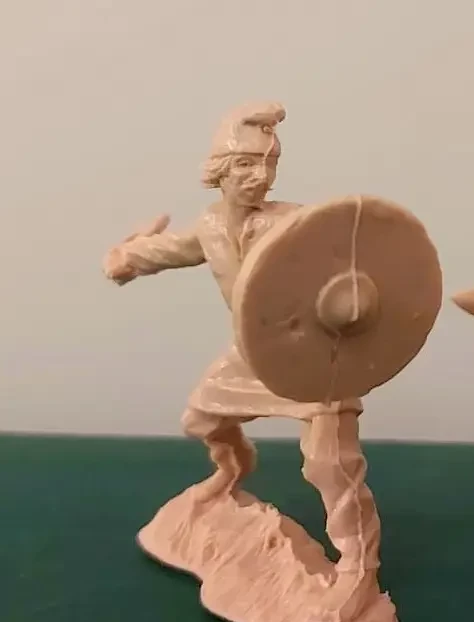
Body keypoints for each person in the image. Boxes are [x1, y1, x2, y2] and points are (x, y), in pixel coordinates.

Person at [101, 103, 376, 594]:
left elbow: (347, 259)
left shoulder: (292, 221)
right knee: (201, 421)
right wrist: (127, 257)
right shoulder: (211, 225)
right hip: (252, 353)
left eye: (269, 165)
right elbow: (174, 248)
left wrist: (354, 298)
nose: (260, 177)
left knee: (329, 464)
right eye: (246, 164)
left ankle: (358, 564)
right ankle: (231, 473)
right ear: (220, 171)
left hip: (314, 359)